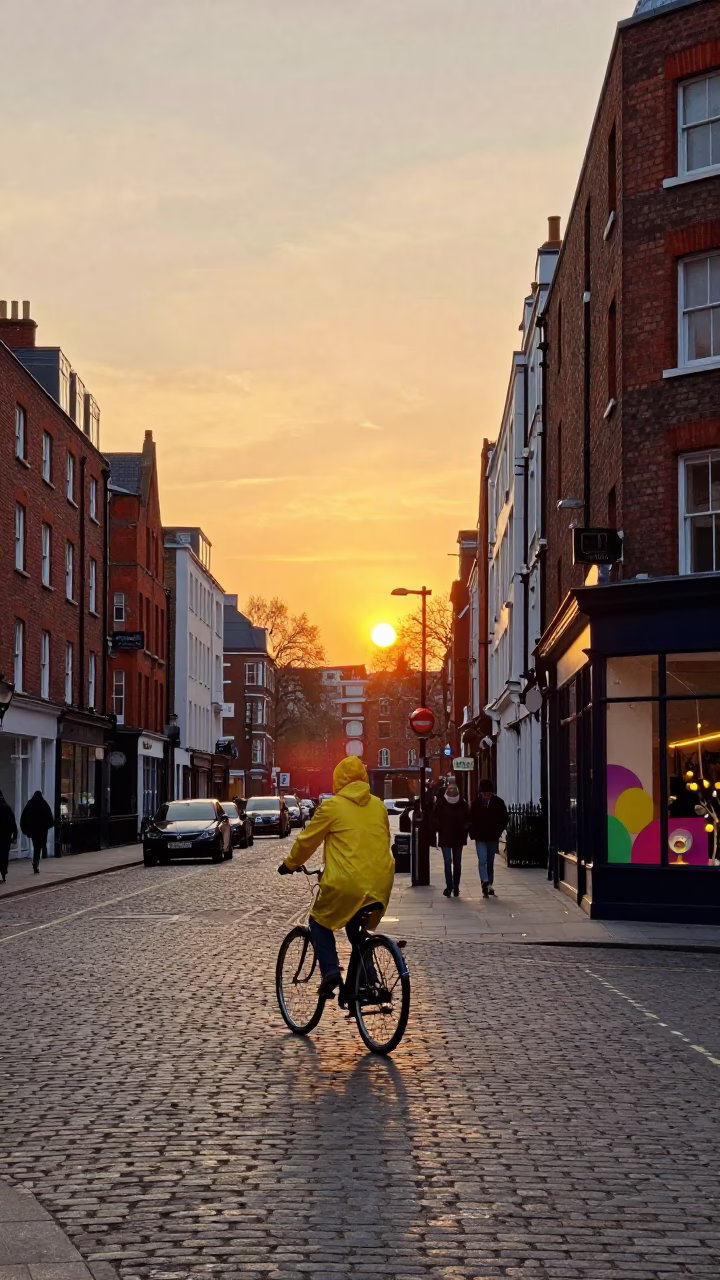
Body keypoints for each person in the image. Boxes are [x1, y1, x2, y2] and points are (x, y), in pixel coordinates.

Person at [278, 755, 394, 998]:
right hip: (381, 881)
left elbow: (307, 841)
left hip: (347, 883)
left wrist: (290, 864)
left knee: (318, 921)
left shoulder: (332, 806)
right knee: (357, 931)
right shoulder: (379, 805)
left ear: (337, 780)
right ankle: (369, 982)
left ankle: (330, 971)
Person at [469, 778, 508, 898]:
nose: (487, 796)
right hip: (480, 837)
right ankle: (484, 882)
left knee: (490, 861)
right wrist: (473, 833)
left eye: (489, 794)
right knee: (482, 860)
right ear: (481, 793)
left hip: (492, 837)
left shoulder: (498, 803)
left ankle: (490, 883)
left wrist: (498, 831)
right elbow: (470, 820)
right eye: (485, 794)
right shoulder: (475, 804)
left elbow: (504, 818)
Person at [433, 780, 470, 898]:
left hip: (456, 837)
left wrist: (465, 828)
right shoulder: (441, 804)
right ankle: (450, 886)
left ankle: (455, 886)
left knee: (456, 863)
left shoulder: (462, 804)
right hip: (447, 837)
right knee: (449, 862)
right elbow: (434, 818)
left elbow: (469, 819)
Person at [20, 791, 55, 875]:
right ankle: (36, 862)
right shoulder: (44, 804)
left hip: (33, 830)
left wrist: (25, 829)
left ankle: (36, 862)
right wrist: (47, 826)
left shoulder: (30, 804)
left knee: (36, 845)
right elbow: (50, 818)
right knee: (39, 847)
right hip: (42, 830)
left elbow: (24, 818)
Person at [0, 791, 17, 883]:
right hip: (5, 837)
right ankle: (3, 873)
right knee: (4, 855)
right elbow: (12, 822)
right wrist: (15, 835)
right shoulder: (6, 807)